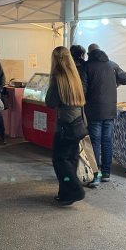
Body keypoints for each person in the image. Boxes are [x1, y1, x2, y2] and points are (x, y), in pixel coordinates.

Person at [83, 43, 126, 186]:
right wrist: (116, 82)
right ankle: (106, 174)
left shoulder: (87, 66)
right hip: (110, 111)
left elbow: (83, 90)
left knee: (95, 143)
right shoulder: (112, 64)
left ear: (89, 53)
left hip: (94, 111)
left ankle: (95, 175)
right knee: (107, 141)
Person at [45, 46, 87, 206]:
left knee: (60, 160)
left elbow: (51, 102)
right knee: (71, 159)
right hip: (77, 122)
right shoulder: (75, 74)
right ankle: (65, 194)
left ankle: (75, 189)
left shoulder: (57, 76)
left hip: (64, 124)